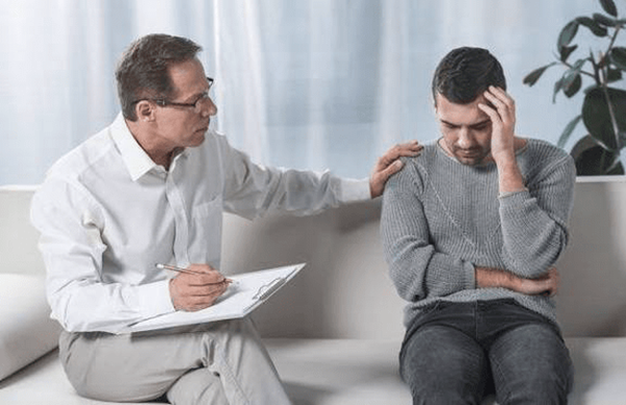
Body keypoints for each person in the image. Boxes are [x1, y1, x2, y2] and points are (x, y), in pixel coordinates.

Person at [30, 33, 422, 405]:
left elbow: (274, 188)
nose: (211, 109)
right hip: (103, 351)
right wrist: (168, 296)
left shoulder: (207, 152)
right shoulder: (75, 182)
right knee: (225, 329)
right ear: (147, 111)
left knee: (215, 393)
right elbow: (70, 302)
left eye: (208, 92)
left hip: (182, 343)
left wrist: (364, 187)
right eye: (195, 101)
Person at [380, 46, 575, 404]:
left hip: (524, 317)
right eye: (450, 125)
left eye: (480, 126)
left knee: (539, 393)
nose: (464, 141)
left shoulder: (551, 164)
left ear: (503, 112)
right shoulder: (409, 170)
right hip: (438, 319)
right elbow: (408, 274)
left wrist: (505, 159)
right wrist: (509, 280)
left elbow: (531, 260)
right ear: (434, 108)